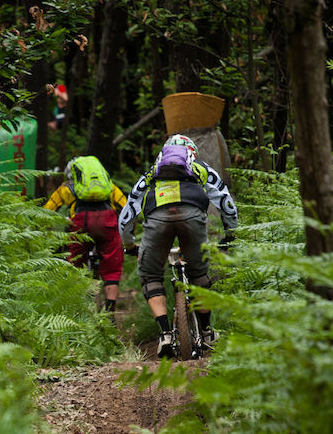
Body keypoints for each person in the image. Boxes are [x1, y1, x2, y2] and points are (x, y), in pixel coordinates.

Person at [118, 134, 238, 357]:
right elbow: (225, 201)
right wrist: (230, 234)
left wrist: (129, 244)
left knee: (151, 275)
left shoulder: (152, 173)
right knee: (199, 273)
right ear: (192, 152)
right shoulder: (200, 167)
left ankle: (165, 335)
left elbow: (128, 212)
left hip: (157, 218)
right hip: (192, 215)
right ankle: (207, 331)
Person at [45, 156, 128, 313]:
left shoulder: (66, 188)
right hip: (107, 222)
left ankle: (79, 309)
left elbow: (47, 212)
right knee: (112, 266)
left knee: (76, 264)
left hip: (81, 223)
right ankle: (109, 312)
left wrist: (43, 231)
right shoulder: (108, 187)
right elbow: (125, 206)